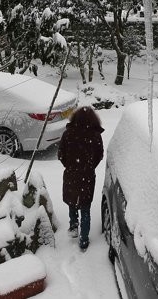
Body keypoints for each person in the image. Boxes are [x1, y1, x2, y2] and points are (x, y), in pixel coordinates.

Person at [57, 106, 104, 251]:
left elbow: (60, 154)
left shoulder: (68, 134)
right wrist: (89, 167)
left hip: (71, 174)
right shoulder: (95, 135)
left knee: (72, 201)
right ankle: (84, 240)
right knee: (85, 207)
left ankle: (73, 226)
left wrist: (70, 165)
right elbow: (99, 155)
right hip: (87, 176)